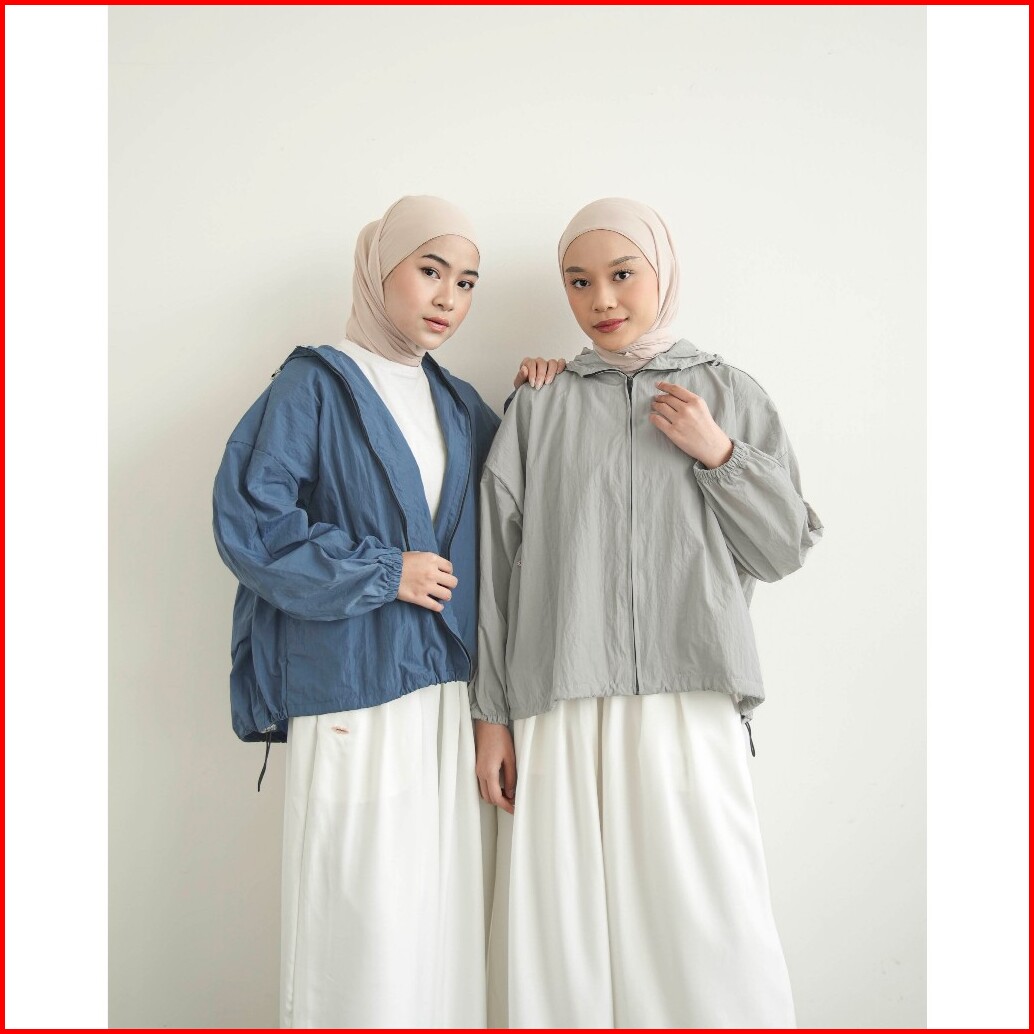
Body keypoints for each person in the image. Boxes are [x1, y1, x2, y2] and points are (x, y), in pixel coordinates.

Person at [212, 195, 563, 1028]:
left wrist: (541, 397)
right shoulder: (313, 385)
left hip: (443, 696)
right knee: (359, 920)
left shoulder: (458, 403)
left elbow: (513, 509)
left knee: (439, 921)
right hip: (350, 693)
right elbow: (252, 524)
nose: (448, 297)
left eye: (466, 282)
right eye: (430, 270)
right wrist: (383, 571)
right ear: (378, 269)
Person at [472, 197, 823, 1028]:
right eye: (579, 281)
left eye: (622, 274)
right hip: (560, 699)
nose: (602, 300)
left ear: (661, 272)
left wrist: (720, 454)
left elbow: (784, 549)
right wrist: (491, 718)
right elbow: (496, 571)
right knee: (564, 934)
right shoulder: (540, 405)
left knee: (705, 921)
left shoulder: (729, 393)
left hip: (690, 694)